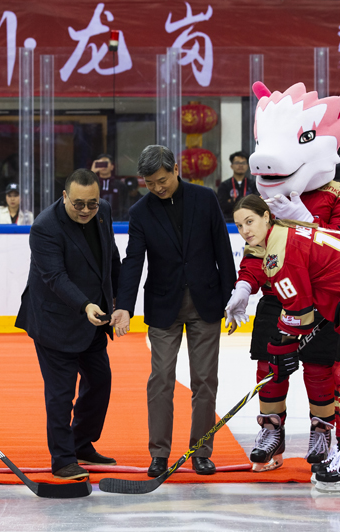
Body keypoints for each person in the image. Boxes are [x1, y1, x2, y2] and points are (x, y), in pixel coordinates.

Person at [229, 78, 340, 474]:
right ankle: (271, 432)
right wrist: (243, 285)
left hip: (323, 304)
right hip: (280, 298)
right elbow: (257, 251)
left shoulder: (338, 197)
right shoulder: (268, 197)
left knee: (320, 370)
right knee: (269, 367)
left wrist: (306, 223)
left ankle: (322, 430)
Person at [231, 195, 340, 491]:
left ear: (267, 216)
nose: (245, 230)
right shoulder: (286, 231)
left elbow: (299, 313)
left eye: (250, 221)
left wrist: (280, 347)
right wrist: (282, 345)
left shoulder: (278, 252)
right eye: (239, 225)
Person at [111, 145, 236, 477]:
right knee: (161, 379)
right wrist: (123, 306)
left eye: (162, 180)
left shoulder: (205, 199)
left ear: (176, 168)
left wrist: (232, 298)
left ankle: (201, 451)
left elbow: (223, 251)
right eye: (150, 183)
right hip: (163, 305)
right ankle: (159, 453)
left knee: (205, 380)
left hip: (205, 302)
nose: (157, 188)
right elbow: (133, 262)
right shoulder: (140, 212)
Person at [15, 169, 121, 481]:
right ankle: (62, 460)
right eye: (79, 204)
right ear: (64, 197)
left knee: (100, 381)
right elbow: (54, 277)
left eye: (92, 204)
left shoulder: (104, 213)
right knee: (61, 393)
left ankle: (81, 443)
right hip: (54, 319)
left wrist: (116, 302)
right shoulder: (45, 227)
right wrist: (85, 304)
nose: (87, 210)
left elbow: (109, 258)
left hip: (93, 319)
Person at [217, 151, 256, 222]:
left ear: (247, 166)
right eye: (237, 163)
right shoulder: (224, 185)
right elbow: (222, 206)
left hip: (250, 221)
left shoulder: (253, 184)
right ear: (231, 166)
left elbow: (256, 204)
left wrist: (232, 201)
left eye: (243, 163)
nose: (240, 165)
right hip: (229, 221)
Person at [91, 153, 128, 218]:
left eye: (106, 164)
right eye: (101, 164)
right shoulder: (92, 184)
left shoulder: (119, 185)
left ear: (112, 166)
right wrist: (91, 173)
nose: (103, 166)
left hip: (117, 220)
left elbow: (125, 204)